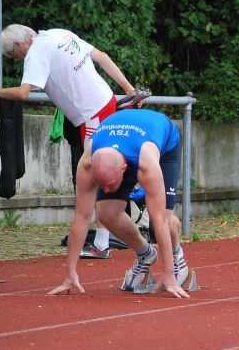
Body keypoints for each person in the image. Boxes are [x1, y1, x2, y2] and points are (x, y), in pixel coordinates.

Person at [0, 24, 137, 259]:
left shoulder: (35, 53)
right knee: (101, 174)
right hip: (106, 102)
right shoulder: (59, 33)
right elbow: (103, 57)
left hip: (91, 115)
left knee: (95, 178)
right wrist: (128, 88)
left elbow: (23, 93)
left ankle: (104, 242)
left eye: (15, 56)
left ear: (18, 45)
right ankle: (106, 237)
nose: (19, 60)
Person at [48, 108, 190, 298]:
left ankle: (176, 255)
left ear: (123, 169)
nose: (106, 190)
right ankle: (146, 254)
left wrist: (169, 274)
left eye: (110, 185)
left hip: (162, 140)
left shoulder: (146, 165)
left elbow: (159, 220)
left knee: (164, 217)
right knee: (106, 213)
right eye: (101, 185)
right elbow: (81, 217)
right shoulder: (87, 162)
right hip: (123, 143)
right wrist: (70, 272)